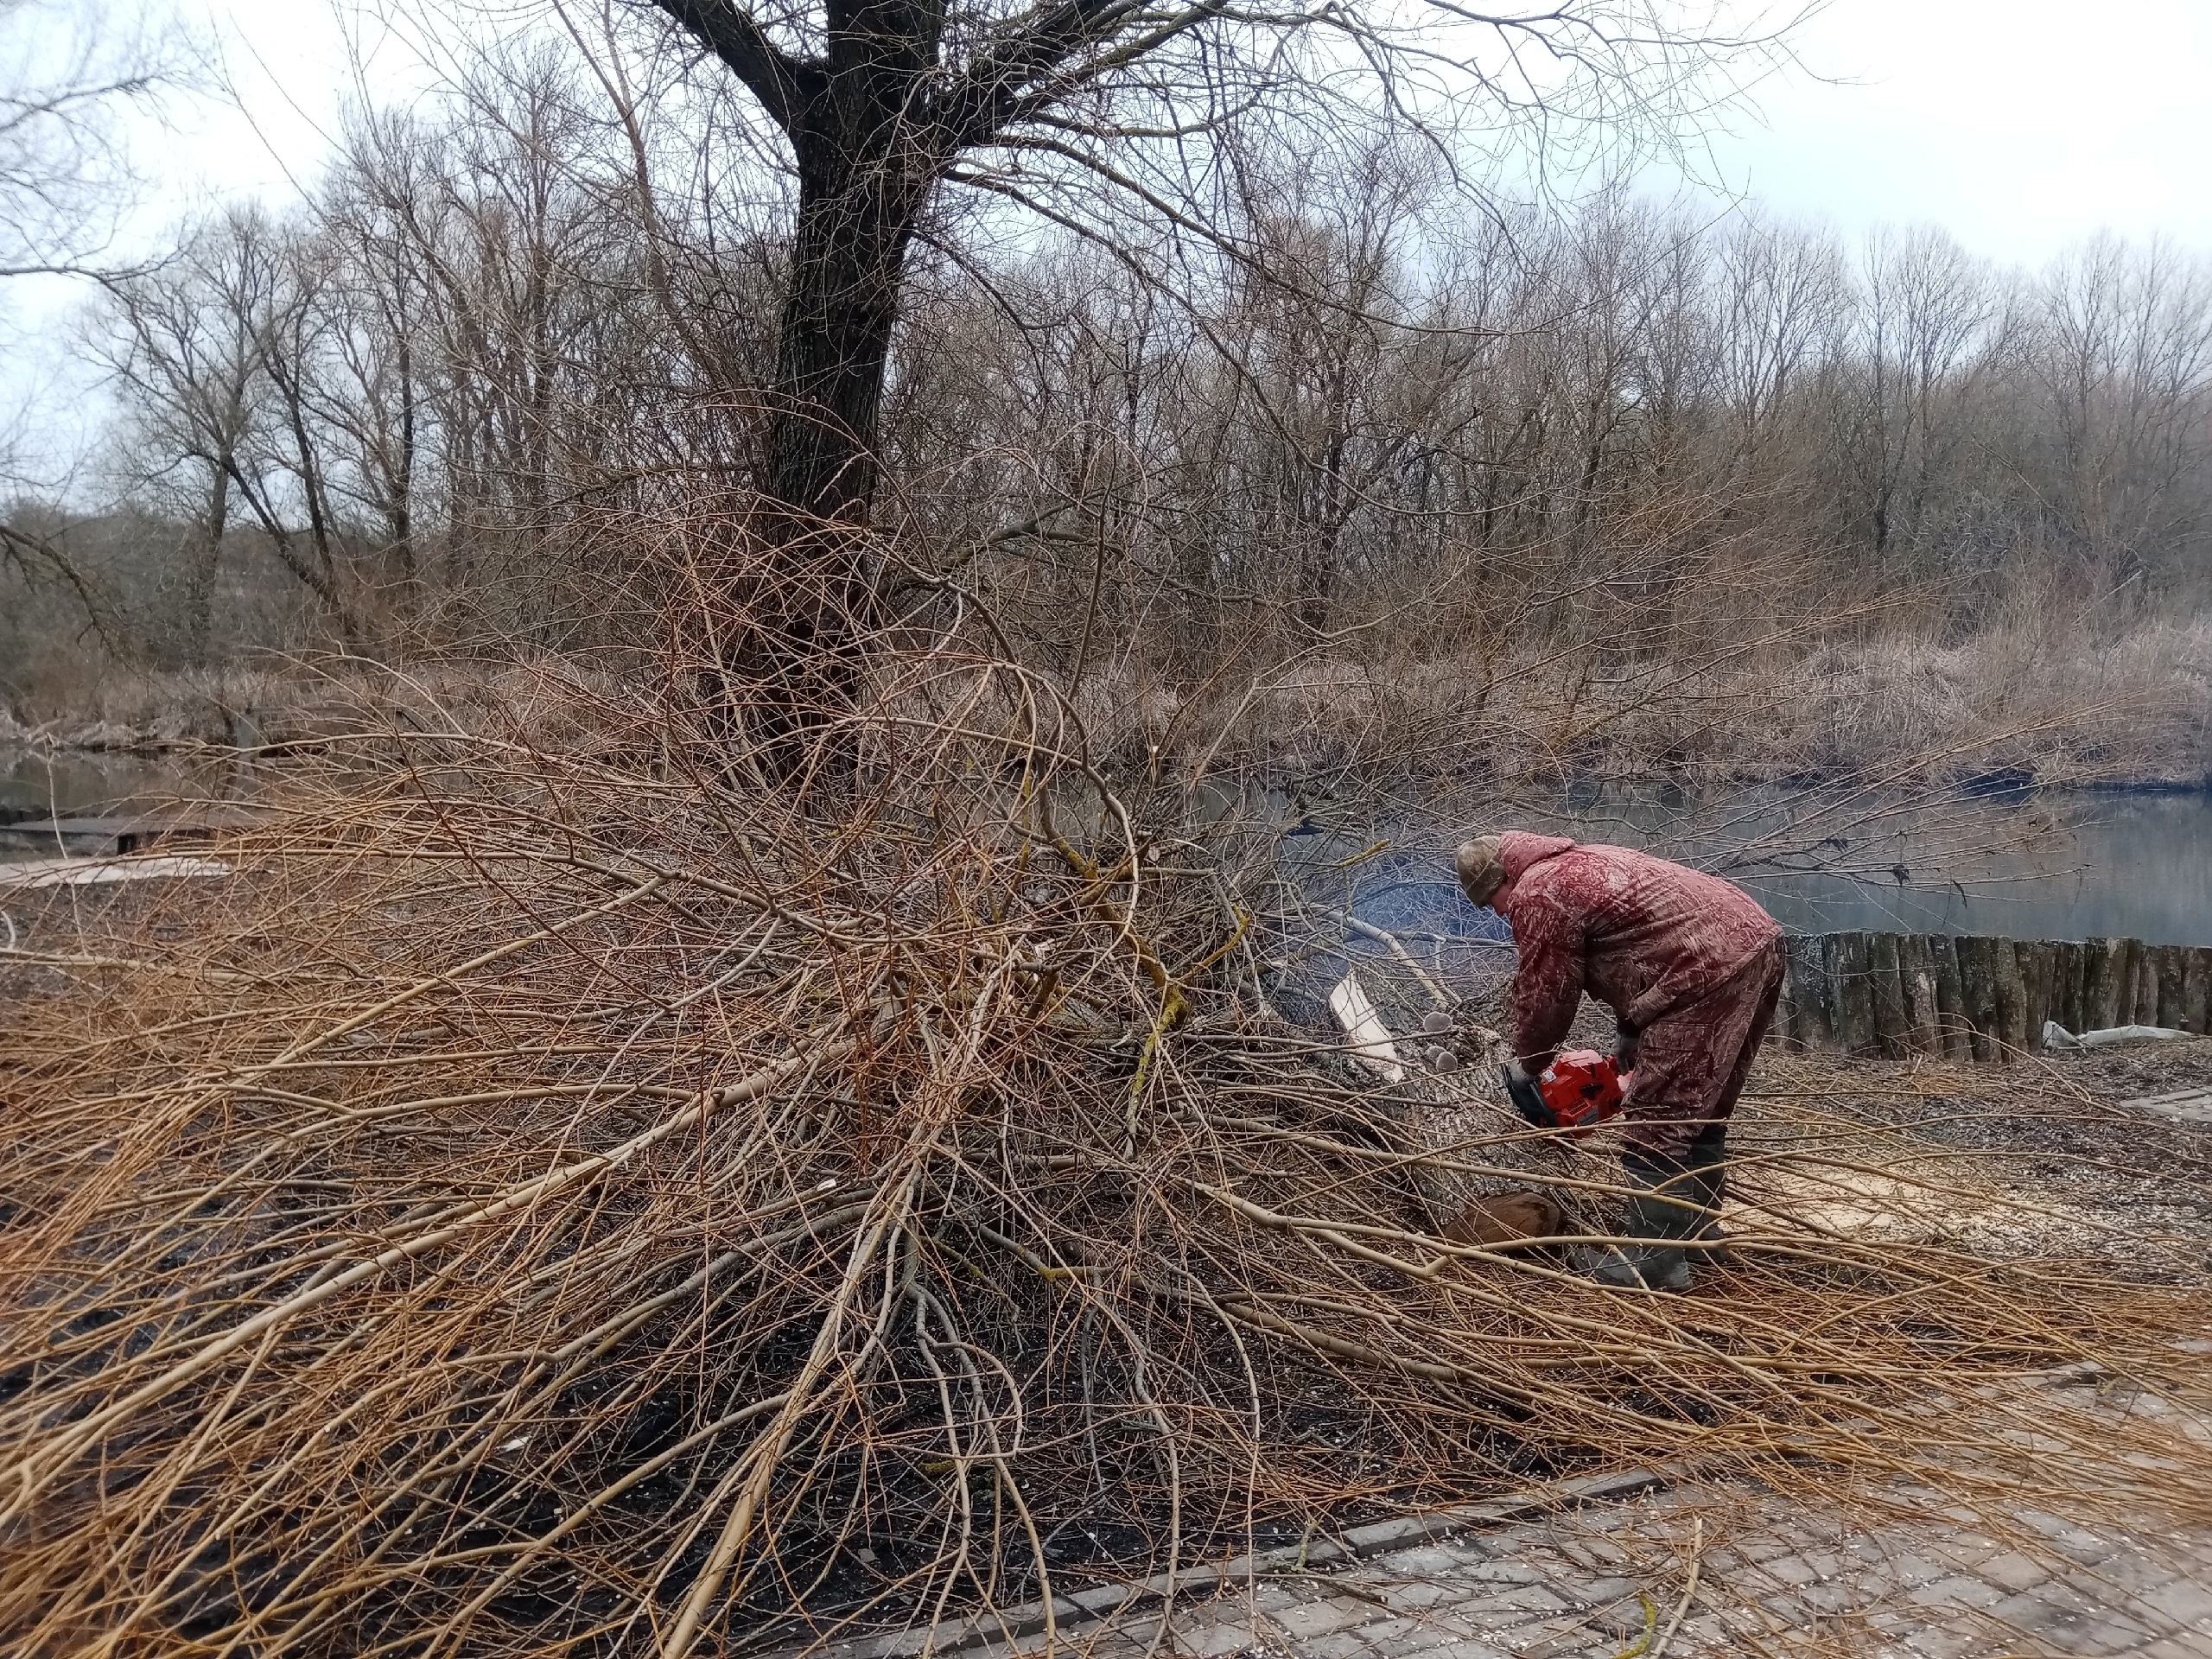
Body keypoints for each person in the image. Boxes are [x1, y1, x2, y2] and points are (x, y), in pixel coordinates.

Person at [1455, 831, 1785, 1291]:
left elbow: (1548, 995)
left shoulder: (1539, 891)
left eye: (1492, 900)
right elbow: (1644, 945)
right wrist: (1630, 1029)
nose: (1498, 912)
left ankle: (1656, 1262)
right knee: (1703, 1107)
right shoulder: (1586, 862)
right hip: (1756, 943)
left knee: (1657, 1122)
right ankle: (1697, 1236)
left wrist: (1531, 1065)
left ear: (1504, 878)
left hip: (1703, 972)